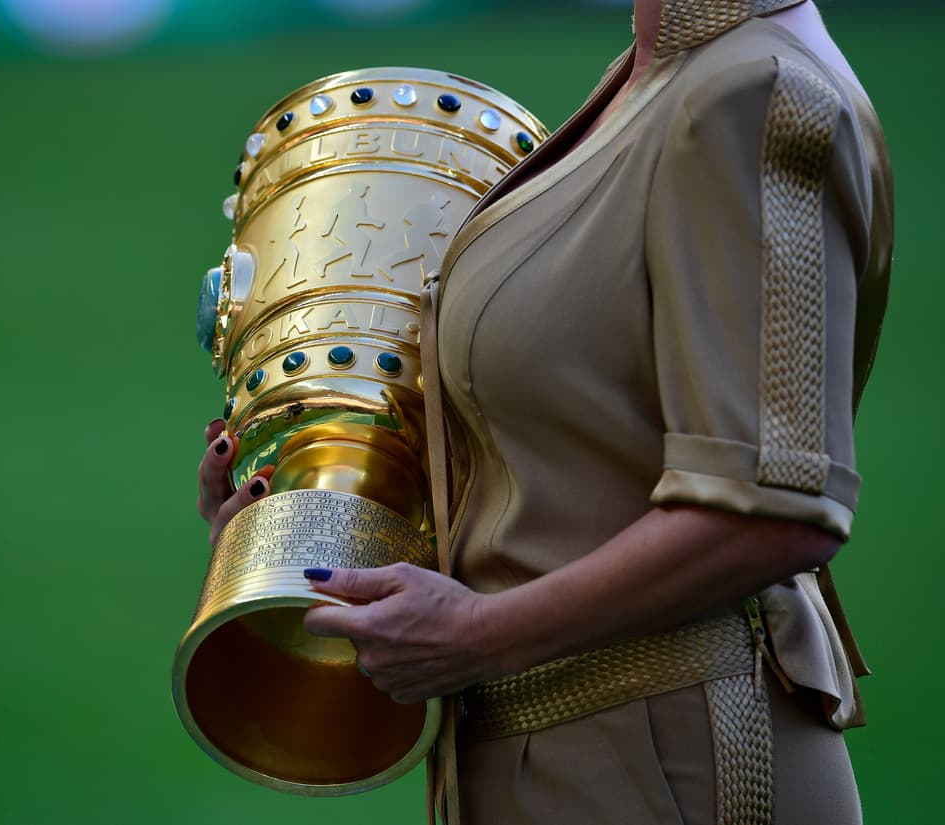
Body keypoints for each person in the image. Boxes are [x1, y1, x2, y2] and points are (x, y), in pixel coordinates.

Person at [196, 0, 893, 822]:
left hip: (673, 766)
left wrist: (480, 634)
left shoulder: (756, 91)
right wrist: (298, 529)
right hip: (570, 762)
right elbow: (564, 455)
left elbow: (775, 507)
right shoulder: (660, 64)